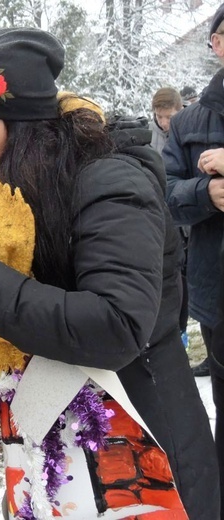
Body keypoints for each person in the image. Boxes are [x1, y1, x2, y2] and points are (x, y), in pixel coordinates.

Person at [0, 27, 218, 519]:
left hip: (135, 429)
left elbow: (116, 325)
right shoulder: (15, 183)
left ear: (23, 126)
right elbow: (26, 295)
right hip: (59, 433)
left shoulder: (109, 180)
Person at [165, 4, 224, 381]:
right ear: (218, 43)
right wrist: (206, 192)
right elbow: (167, 196)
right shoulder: (186, 122)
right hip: (218, 294)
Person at [149, 87, 183, 154]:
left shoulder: (190, 133)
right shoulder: (147, 133)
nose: (163, 123)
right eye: (159, 116)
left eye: (169, 117)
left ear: (181, 112)